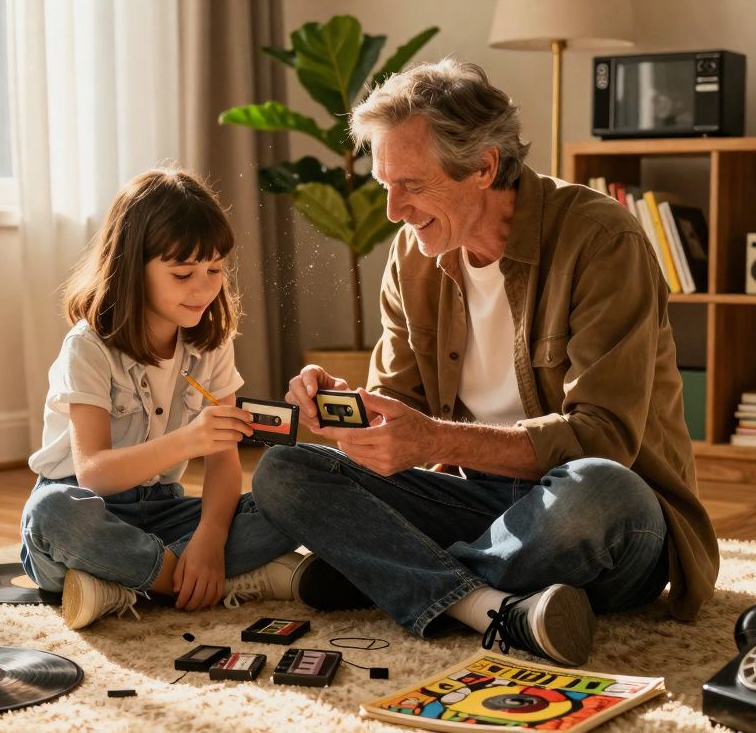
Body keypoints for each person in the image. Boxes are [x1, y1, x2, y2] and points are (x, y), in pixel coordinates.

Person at [252, 59, 719, 667]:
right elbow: (402, 411)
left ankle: (397, 576)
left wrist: (432, 440)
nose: (394, 210)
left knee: (600, 490)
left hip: (601, 521)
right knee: (284, 470)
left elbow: (603, 440)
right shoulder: (413, 255)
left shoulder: (603, 241)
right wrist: (351, 413)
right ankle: (487, 605)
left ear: (484, 166)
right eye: (384, 184)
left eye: (412, 186)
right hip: (482, 507)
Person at [19, 169, 311, 630]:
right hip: (87, 508)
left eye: (214, 270)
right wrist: (188, 441)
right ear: (133, 268)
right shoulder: (89, 347)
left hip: (167, 511)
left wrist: (211, 540)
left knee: (294, 495)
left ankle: (123, 582)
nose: (203, 288)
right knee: (51, 515)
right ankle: (191, 580)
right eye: (182, 274)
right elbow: (94, 473)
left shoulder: (211, 344)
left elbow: (223, 464)